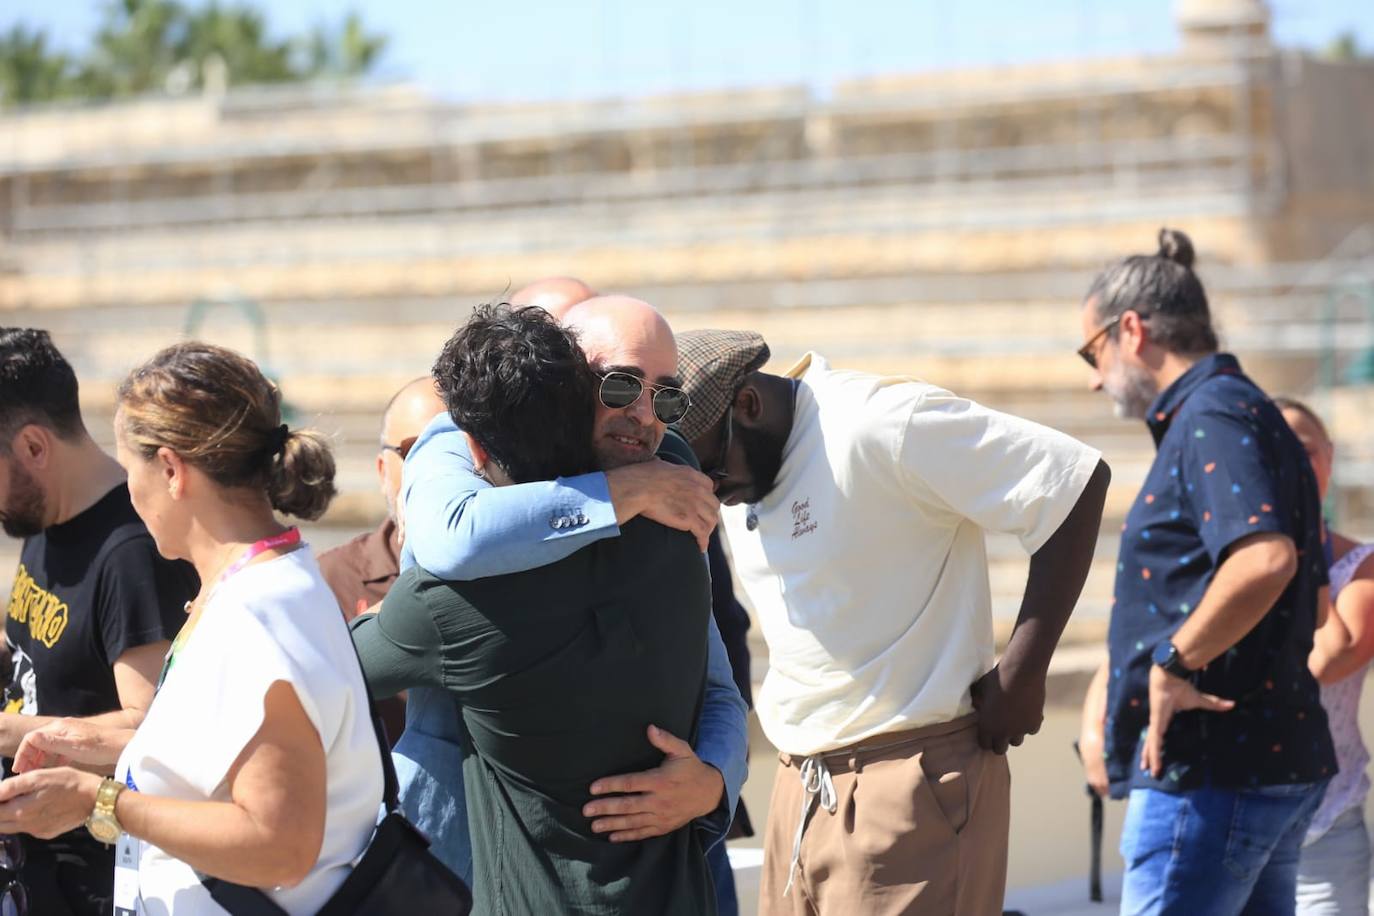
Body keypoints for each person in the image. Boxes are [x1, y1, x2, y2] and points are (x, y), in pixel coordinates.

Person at [675, 328, 1110, 915]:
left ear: (748, 406)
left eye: (711, 472)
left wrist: (1023, 672)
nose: (711, 492)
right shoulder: (738, 467)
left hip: (910, 784)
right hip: (797, 787)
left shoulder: (877, 423)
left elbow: (1072, 484)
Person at [353, 304, 716, 914]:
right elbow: (458, 534)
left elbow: (332, 665)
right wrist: (622, 492)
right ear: (570, 386)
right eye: (623, 385)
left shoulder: (453, 606)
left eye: (668, 396)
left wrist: (715, 782)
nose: (648, 416)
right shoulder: (664, 498)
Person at [0, 342, 384, 914]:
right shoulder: (244, 588)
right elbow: (214, 754)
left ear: (172, 471)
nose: (127, 491)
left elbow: (279, 845)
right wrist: (88, 743)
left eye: (131, 469)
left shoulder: (260, 615)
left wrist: (100, 802)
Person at [1074, 229, 1333, 916]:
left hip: (1211, 777)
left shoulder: (1211, 416)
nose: (1093, 378)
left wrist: (1171, 663)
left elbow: (1265, 558)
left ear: (1131, 330)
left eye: (1091, 351)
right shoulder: (1234, 410)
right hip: (1254, 768)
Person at [0, 328, 196, 916]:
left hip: (93, 880)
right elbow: (45, 654)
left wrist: (13, 733)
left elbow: (153, 728)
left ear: (34, 447)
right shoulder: (44, 513)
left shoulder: (132, 552)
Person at [1277, 398, 1374, 916]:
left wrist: (1305, 540)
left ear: (1330, 457)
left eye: (1307, 450)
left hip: (1327, 830)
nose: (1295, 462)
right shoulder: (1224, 561)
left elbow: (1329, 658)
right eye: (1279, 450)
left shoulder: (1362, 568)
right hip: (1232, 824)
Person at [318, 376, 447, 620]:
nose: (438, 469)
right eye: (415, 450)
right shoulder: (332, 581)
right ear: (382, 471)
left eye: (456, 449)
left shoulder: (513, 567)